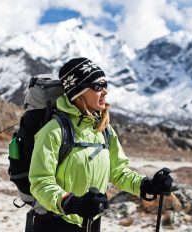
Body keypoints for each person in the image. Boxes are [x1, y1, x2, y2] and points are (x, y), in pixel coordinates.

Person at [28, 57, 173, 232]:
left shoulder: (104, 130)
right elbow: (40, 181)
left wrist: (147, 185)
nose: (105, 91)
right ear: (78, 91)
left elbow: (118, 172)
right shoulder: (54, 130)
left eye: (106, 85)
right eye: (98, 86)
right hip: (55, 222)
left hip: (91, 222)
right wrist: (71, 203)